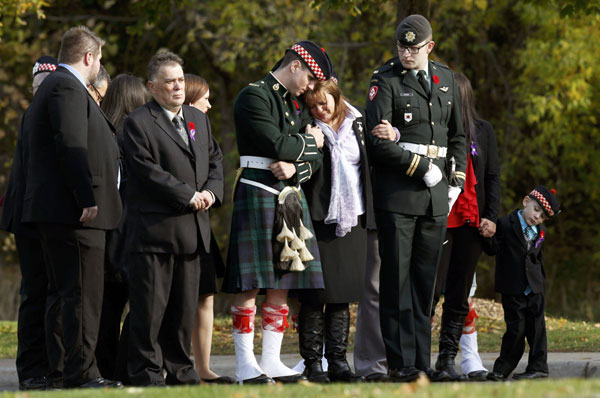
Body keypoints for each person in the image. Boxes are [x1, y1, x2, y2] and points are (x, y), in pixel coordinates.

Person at [221, 40, 332, 384]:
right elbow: (280, 145)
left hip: (289, 197)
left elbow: (308, 160)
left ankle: (270, 361)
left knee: (283, 280)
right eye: (311, 80)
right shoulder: (254, 96)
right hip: (257, 191)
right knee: (252, 283)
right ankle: (244, 365)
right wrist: (312, 141)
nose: (311, 89)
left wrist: (297, 169)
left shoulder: (294, 104)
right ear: (296, 65)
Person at [365, 14, 466, 382]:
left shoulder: (446, 79)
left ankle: (423, 360)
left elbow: (458, 134)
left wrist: (455, 180)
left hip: (436, 196)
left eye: (414, 47)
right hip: (400, 193)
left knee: (426, 284)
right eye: (401, 46)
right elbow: (376, 142)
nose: (406, 53)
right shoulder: (385, 79)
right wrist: (418, 167)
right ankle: (400, 362)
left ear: (430, 47)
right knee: (396, 281)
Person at [21, 26, 123, 389]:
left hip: (65, 212)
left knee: (73, 293)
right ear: (89, 57)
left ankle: (71, 369)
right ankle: (83, 373)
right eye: (99, 58)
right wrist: (87, 197)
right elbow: (70, 144)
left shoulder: (57, 86)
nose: (99, 65)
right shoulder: (66, 87)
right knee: (82, 294)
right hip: (74, 213)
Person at [122, 50, 224, 386]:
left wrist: (211, 192)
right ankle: (147, 373)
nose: (178, 87)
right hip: (154, 233)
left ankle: (181, 370)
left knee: (182, 311)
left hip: (193, 232)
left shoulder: (198, 119)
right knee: (150, 311)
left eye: (181, 80)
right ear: (153, 87)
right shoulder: (137, 123)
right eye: (170, 82)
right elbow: (147, 171)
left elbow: (214, 161)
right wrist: (187, 195)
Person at [299, 78, 374, 383]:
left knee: (342, 294)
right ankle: (313, 363)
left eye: (324, 101)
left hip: (352, 215)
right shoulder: (309, 128)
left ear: (335, 94)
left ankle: (339, 361)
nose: (320, 109)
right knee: (316, 293)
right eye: (314, 105)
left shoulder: (358, 123)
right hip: (319, 216)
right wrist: (308, 141)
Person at [431, 71, 501, 381]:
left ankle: (447, 359)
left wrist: (491, 215)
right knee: (432, 289)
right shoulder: (436, 130)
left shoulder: (484, 131)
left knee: (459, 293)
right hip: (442, 219)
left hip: (472, 222)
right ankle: (419, 357)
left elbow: (492, 177)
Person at [0, 55, 64, 390]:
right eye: (38, 86)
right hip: (29, 217)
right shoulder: (37, 116)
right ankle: (32, 370)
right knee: (36, 293)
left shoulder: (43, 114)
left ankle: (46, 367)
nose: (43, 91)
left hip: (34, 213)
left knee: (45, 292)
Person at [95, 74, 149, 382]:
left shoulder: (104, 134)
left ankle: (105, 368)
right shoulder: (135, 137)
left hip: (106, 231)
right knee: (141, 304)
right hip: (131, 231)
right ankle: (124, 367)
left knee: (106, 310)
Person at [183, 73, 233, 384]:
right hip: (172, 225)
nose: (210, 105)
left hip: (201, 225)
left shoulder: (205, 132)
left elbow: (217, 167)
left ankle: (203, 367)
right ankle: (169, 365)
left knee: (206, 296)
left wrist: (210, 194)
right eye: (205, 99)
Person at [486, 186, 560, 381]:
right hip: (513, 287)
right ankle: (502, 369)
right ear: (526, 202)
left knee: (537, 329)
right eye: (536, 210)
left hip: (535, 287)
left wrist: (541, 282)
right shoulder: (505, 224)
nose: (537, 217)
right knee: (515, 329)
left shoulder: (540, 231)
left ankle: (538, 368)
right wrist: (487, 236)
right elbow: (493, 249)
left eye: (543, 216)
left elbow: (537, 257)